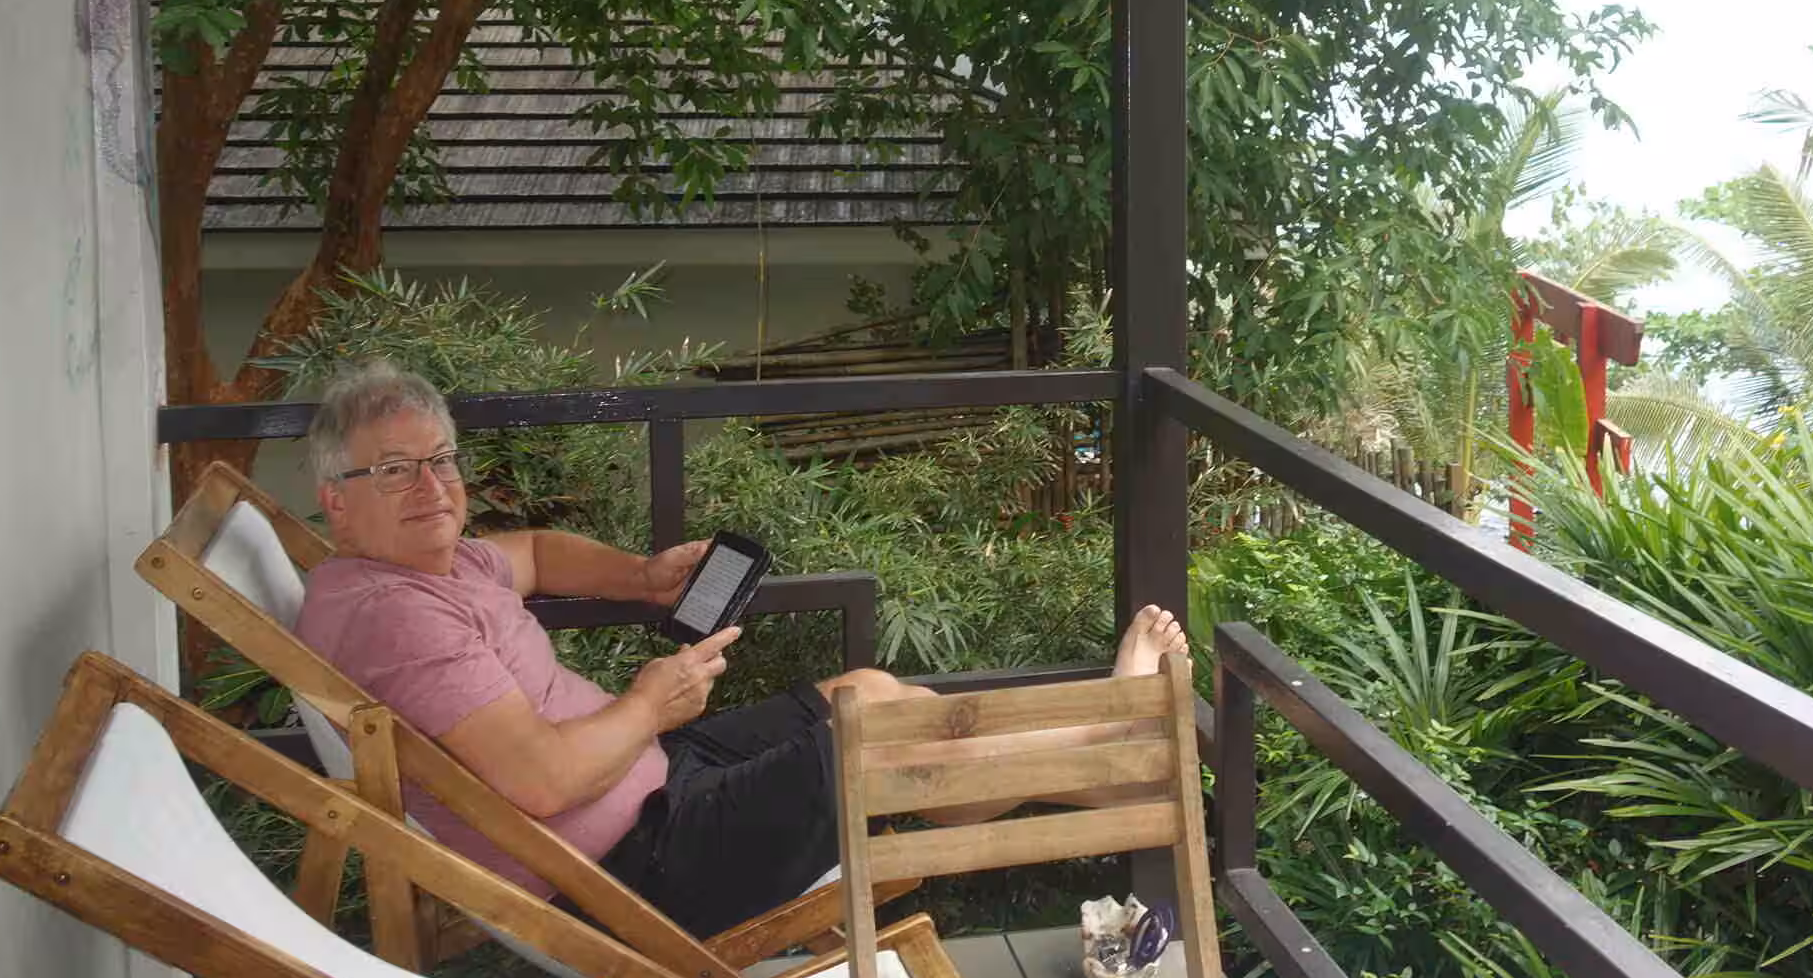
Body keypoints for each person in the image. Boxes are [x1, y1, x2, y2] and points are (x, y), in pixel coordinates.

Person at [294, 359, 1189, 938]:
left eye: (441, 460)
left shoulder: (437, 566)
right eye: (394, 470)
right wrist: (650, 702)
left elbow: (530, 552)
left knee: (865, 688)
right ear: (336, 499)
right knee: (881, 738)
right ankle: (1107, 735)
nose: (433, 486)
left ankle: (1104, 759)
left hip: (652, 783)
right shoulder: (398, 617)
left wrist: (642, 577)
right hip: (633, 874)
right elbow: (542, 783)